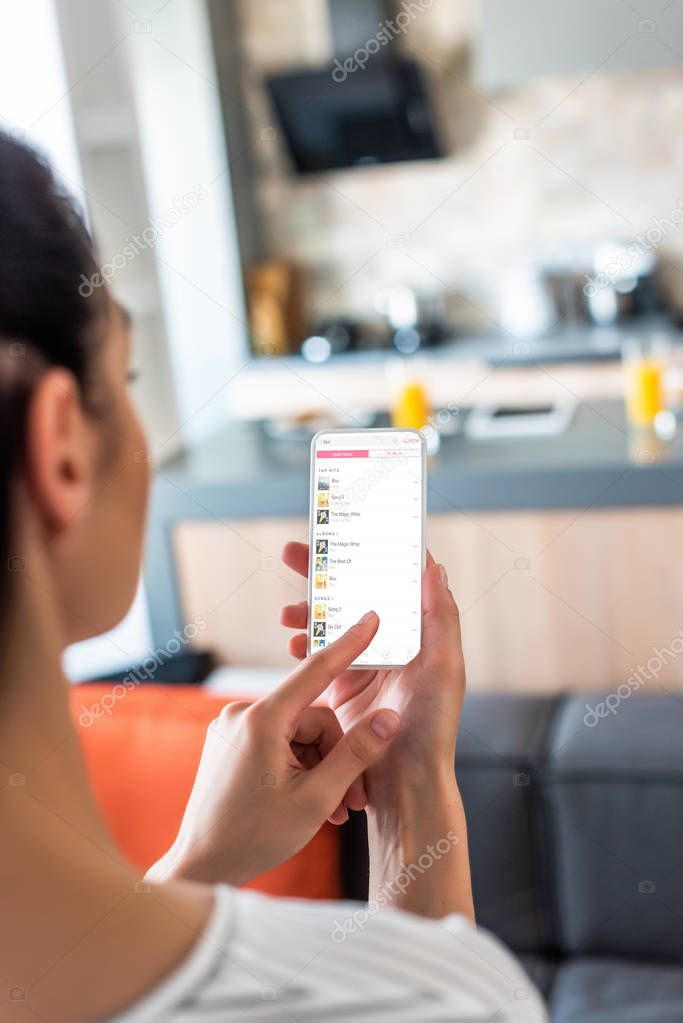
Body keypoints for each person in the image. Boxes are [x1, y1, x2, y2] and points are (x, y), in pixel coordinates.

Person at [0, 132, 546, 1022]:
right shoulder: (441, 999)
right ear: (61, 448)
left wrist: (190, 866)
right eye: (128, 375)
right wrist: (412, 788)